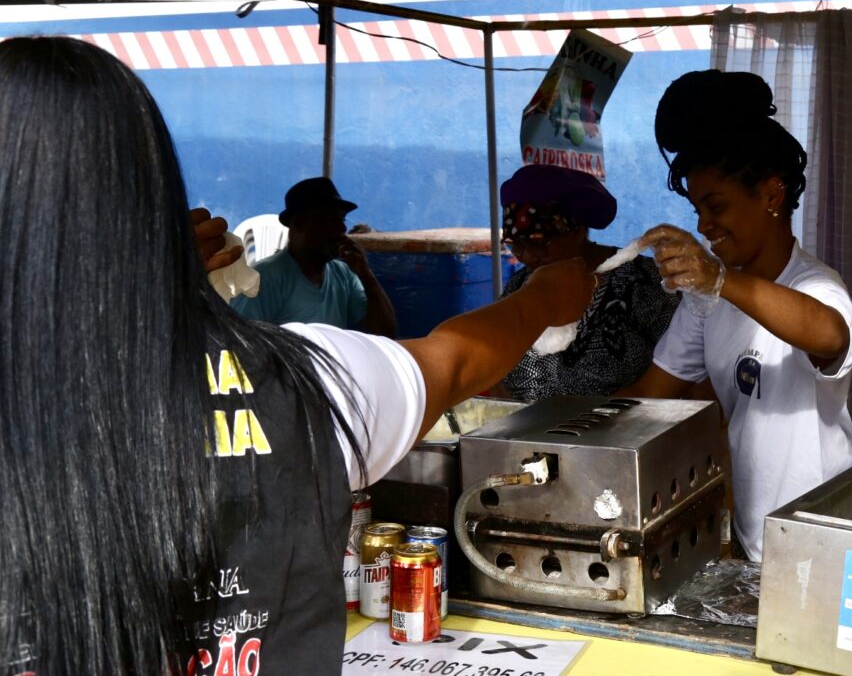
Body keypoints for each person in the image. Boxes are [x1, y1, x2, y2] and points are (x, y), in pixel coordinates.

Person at [0, 36, 596, 675]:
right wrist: (542, 300)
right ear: (156, 199)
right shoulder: (306, 378)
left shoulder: (331, 306)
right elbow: (452, 363)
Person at [626, 69, 852, 561]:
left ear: (772, 195)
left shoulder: (814, 284)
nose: (703, 224)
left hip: (828, 534)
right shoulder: (706, 301)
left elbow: (827, 333)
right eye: (696, 208)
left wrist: (717, 279)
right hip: (758, 536)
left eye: (715, 205)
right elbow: (648, 400)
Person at [493, 164, 679, 400]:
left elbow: (683, 370)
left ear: (577, 230)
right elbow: (495, 366)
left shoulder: (642, 280)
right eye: (516, 244)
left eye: (539, 243)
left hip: (619, 431)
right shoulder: (519, 286)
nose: (527, 256)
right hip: (520, 432)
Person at [230, 177, 398, 337]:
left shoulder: (344, 275)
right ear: (298, 225)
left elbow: (385, 333)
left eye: (341, 219)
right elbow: (239, 341)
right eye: (329, 219)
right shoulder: (265, 278)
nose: (341, 228)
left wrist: (366, 274)